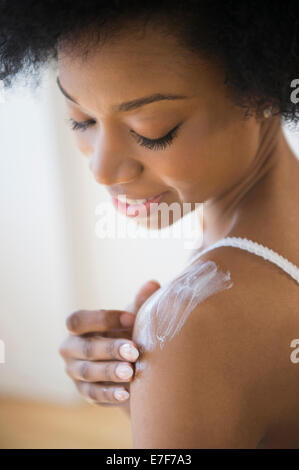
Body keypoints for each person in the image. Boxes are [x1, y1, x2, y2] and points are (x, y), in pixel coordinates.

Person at [2, 1, 299, 448]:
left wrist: (175, 382)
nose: (102, 170)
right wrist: (154, 401)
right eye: (81, 119)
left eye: (152, 129)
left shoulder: (198, 324)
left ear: (262, 92)